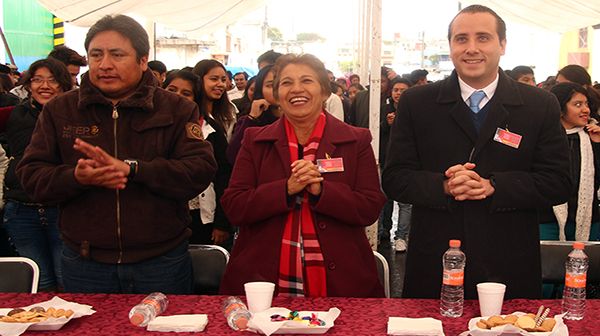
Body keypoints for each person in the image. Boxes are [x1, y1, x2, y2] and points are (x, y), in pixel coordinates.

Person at [16, 14, 217, 294]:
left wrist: (134, 170)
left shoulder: (176, 108)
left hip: (161, 260)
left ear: (142, 60)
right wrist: (76, 176)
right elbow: (31, 176)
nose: (105, 64)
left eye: (117, 54)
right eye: (96, 54)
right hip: (85, 261)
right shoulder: (61, 110)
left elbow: (200, 170)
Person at [382, 5, 571, 299]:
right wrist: (444, 185)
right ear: (450, 45)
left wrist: (493, 186)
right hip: (435, 257)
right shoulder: (417, 103)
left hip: (510, 259)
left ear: (502, 45)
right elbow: (395, 178)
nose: (471, 49)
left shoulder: (539, 105)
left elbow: (559, 182)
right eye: (461, 39)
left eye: (483, 38)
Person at [219, 53, 385, 297]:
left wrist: (322, 191)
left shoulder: (355, 140)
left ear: (325, 91)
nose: (296, 89)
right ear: (276, 95)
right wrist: (286, 188)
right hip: (263, 280)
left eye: (307, 80)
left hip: (342, 280)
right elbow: (234, 205)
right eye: (286, 83)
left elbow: (371, 206)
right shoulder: (255, 140)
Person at [3, 58, 71, 291]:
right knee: (36, 282)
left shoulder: (75, 117)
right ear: (28, 84)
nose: (45, 86)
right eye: (38, 80)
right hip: (21, 208)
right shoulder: (14, 114)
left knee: (66, 279)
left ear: (64, 84)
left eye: (52, 80)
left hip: (62, 208)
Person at [163, 70, 233, 250]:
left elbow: (224, 177)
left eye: (186, 93)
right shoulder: (150, 128)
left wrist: (222, 223)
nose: (177, 97)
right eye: (172, 90)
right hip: (163, 216)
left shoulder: (211, 129)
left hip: (203, 216)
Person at [539, 82, 600, 241]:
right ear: (560, 109)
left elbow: (597, 182)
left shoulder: (591, 137)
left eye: (586, 104)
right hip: (547, 219)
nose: (585, 110)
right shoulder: (544, 138)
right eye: (577, 104)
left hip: (589, 220)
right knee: (549, 264)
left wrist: (598, 146)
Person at [226, 65, 280, 165]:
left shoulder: (299, 118)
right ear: (260, 89)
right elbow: (233, 156)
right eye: (270, 85)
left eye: (284, 83)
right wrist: (252, 117)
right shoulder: (248, 120)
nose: (277, 90)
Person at [385, 77, 413, 252]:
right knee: (384, 201)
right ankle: (383, 234)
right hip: (385, 159)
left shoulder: (415, 110)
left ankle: (401, 236)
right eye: (396, 90)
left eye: (403, 90)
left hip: (406, 163)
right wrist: (386, 124)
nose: (398, 93)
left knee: (405, 203)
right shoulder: (382, 109)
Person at [192, 60, 237, 142]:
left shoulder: (230, 111)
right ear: (199, 80)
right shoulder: (190, 112)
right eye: (214, 79)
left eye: (223, 80)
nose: (221, 84)